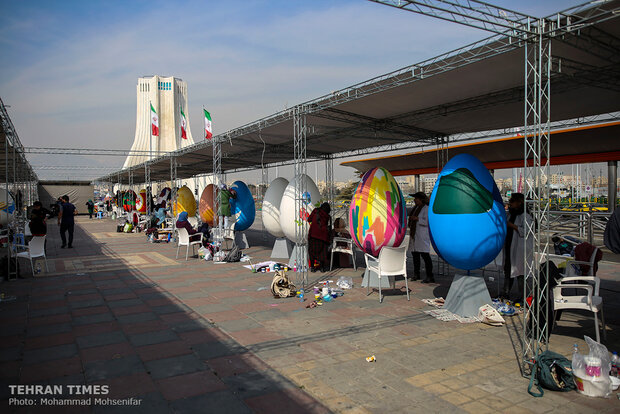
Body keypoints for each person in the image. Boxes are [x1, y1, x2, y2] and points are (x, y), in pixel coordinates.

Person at [502, 193, 533, 300]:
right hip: (510, 245)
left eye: (512, 202)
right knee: (508, 270)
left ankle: (523, 296)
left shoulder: (525, 216)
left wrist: (512, 226)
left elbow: (526, 231)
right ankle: (505, 292)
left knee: (520, 273)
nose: (510, 204)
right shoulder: (511, 214)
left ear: (519, 203)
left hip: (520, 248)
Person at [408, 192, 434, 283]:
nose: (415, 200)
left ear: (421, 199)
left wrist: (417, 219)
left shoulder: (426, 209)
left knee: (425, 256)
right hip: (415, 235)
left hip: (422, 235)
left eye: (416, 198)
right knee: (415, 256)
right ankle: (416, 274)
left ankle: (430, 275)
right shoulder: (415, 208)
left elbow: (427, 221)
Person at [308, 202, 332, 272]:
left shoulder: (315, 211)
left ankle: (312, 267)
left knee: (312, 251)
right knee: (322, 252)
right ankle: (322, 268)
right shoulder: (327, 216)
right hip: (323, 236)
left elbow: (309, 219)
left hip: (313, 235)